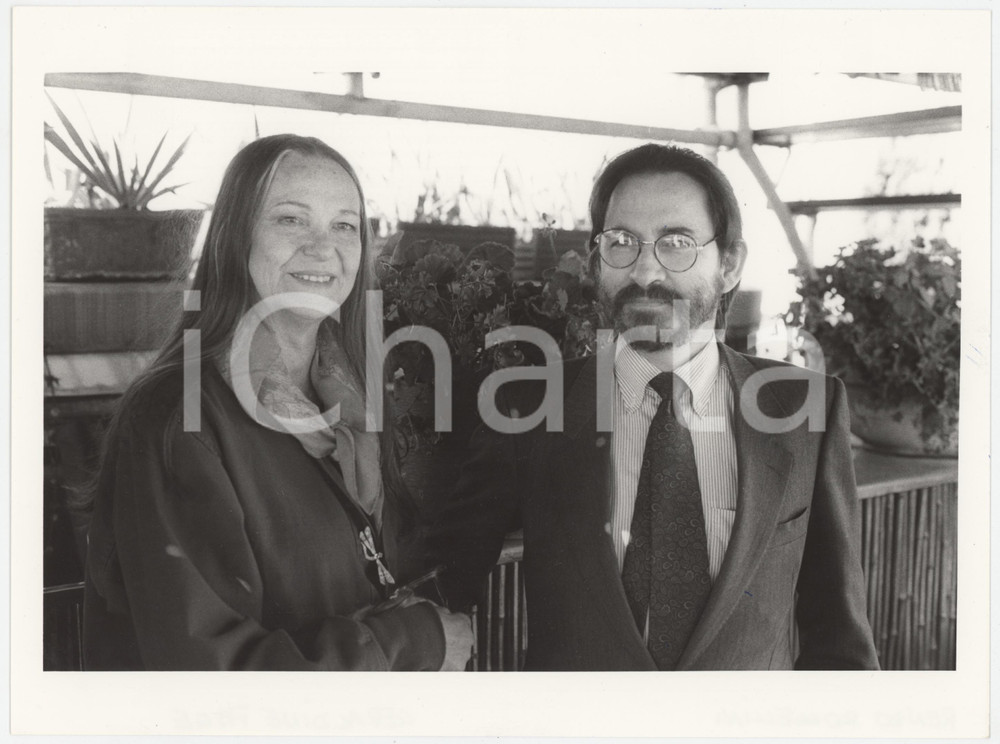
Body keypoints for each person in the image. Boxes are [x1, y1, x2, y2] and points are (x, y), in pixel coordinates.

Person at [428, 143, 879, 670]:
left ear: (729, 263)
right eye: (622, 242)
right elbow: (444, 579)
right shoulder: (527, 404)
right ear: (597, 260)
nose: (645, 271)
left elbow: (840, 640)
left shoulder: (806, 410)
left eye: (677, 243)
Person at [83, 134, 473, 670]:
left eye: (344, 225)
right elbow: (208, 675)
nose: (323, 247)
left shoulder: (350, 405)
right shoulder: (179, 419)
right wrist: (413, 641)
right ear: (232, 239)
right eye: (291, 220)